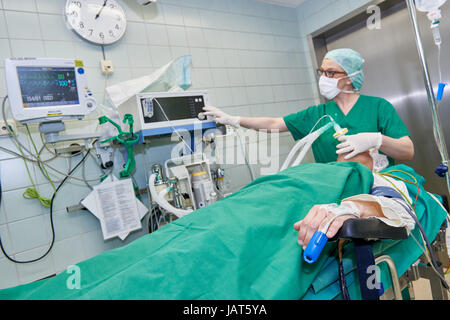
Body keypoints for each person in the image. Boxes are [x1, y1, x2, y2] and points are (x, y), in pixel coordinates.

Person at [203, 48, 414, 166]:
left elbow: (407, 151)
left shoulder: (378, 107)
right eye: (321, 71)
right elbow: (275, 123)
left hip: (378, 191)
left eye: (330, 73)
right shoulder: (317, 114)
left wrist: (376, 139)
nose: (324, 78)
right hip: (336, 193)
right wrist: (233, 119)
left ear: (350, 78)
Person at [294, 150, 415, 251]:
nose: (349, 155)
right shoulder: (323, 172)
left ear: (372, 166)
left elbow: (402, 212)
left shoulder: (378, 179)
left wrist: (354, 208)